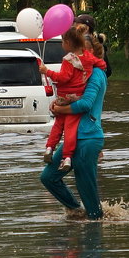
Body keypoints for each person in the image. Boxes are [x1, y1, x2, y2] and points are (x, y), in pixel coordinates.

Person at [40, 26, 108, 220]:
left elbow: (86, 104)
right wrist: (59, 101)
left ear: (92, 52)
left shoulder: (96, 74)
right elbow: (71, 90)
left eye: (84, 51)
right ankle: (77, 212)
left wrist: (60, 109)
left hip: (88, 137)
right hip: (74, 136)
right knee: (48, 177)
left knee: (86, 189)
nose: (80, 56)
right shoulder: (81, 73)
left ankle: (95, 227)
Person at [39, 24, 105, 171]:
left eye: (62, 42)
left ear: (68, 43)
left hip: (64, 96)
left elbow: (63, 77)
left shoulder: (68, 59)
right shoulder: (88, 58)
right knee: (70, 129)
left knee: (58, 125)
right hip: (77, 97)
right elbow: (101, 63)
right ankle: (67, 157)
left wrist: (47, 71)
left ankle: (49, 148)